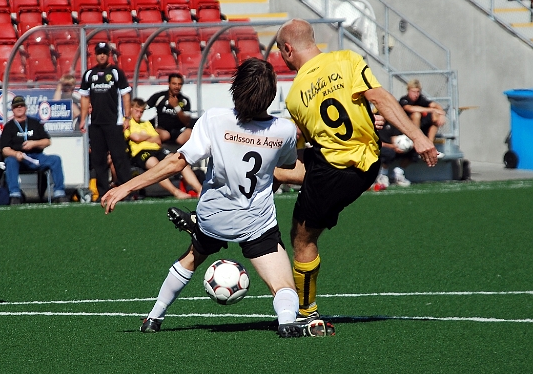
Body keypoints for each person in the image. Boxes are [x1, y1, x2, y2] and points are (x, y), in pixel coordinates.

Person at [102, 58, 335, 338]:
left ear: (236, 89)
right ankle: (286, 321)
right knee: (284, 285)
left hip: (214, 218)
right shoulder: (283, 130)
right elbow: (286, 169)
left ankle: (154, 316)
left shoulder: (215, 119)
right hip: (255, 221)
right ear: (271, 95)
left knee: (191, 256)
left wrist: (125, 187)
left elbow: (177, 162)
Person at [274, 18, 439, 321]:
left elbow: (317, 138)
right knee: (285, 168)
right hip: (369, 160)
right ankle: (266, 184)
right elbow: (378, 98)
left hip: (334, 169)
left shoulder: (295, 95)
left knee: (302, 237)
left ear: (287, 49)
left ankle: (307, 314)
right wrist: (415, 136)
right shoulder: (346, 59)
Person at [78, 42, 133, 198]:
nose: (101, 55)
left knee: (119, 157)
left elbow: (125, 95)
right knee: (98, 160)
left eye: (104, 53)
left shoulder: (116, 72)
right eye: (99, 53)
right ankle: (103, 193)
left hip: (113, 122)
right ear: (95, 55)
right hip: (95, 124)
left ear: (109, 54)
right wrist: (83, 119)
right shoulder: (89, 74)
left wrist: (127, 117)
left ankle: (126, 191)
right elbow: (84, 98)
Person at [126, 97, 202, 199]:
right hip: (140, 152)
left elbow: (157, 139)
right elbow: (135, 137)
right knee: (156, 165)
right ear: (131, 109)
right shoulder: (127, 122)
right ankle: (177, 192)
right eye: (137, 111)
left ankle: (200, 190)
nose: (139, 114)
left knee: (179, 159)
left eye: (141, 112)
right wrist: (148, 137)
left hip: (156, 149)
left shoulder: (146, 123)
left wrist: (142, 137)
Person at [0, 95, 70, 204]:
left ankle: (59, 193)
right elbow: (5, 149)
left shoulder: (34, 123)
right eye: (16, 106)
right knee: (10, 161)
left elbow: (47, 141)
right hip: (20, 159)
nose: (19, 108)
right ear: (12, 109)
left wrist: (34, 144)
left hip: (36, 156)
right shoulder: (9, 127)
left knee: (56, 159)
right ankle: (15, 194)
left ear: (26, 108)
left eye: (21, 106)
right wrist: (16, 153)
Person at [146, 73, 196, 146]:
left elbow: (187, 122)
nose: (177, 87)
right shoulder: (160, 96)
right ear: (169, 84)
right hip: (162, 131)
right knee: (164, 134)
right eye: (174, 84)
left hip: (179, 133)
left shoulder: (184, 100)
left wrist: (176, 107)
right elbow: (142, 107)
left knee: (190, 132)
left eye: (179, 84)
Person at [375, 121, 413, 189]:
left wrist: (399, 146)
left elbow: (394, 137)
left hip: (393, 147)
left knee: (414, 151)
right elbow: (376, 142)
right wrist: (393, 146)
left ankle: (398, 173)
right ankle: (382, 174)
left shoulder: (393, 122)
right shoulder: (375, 123)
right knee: (388, 152)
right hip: (378, 148)